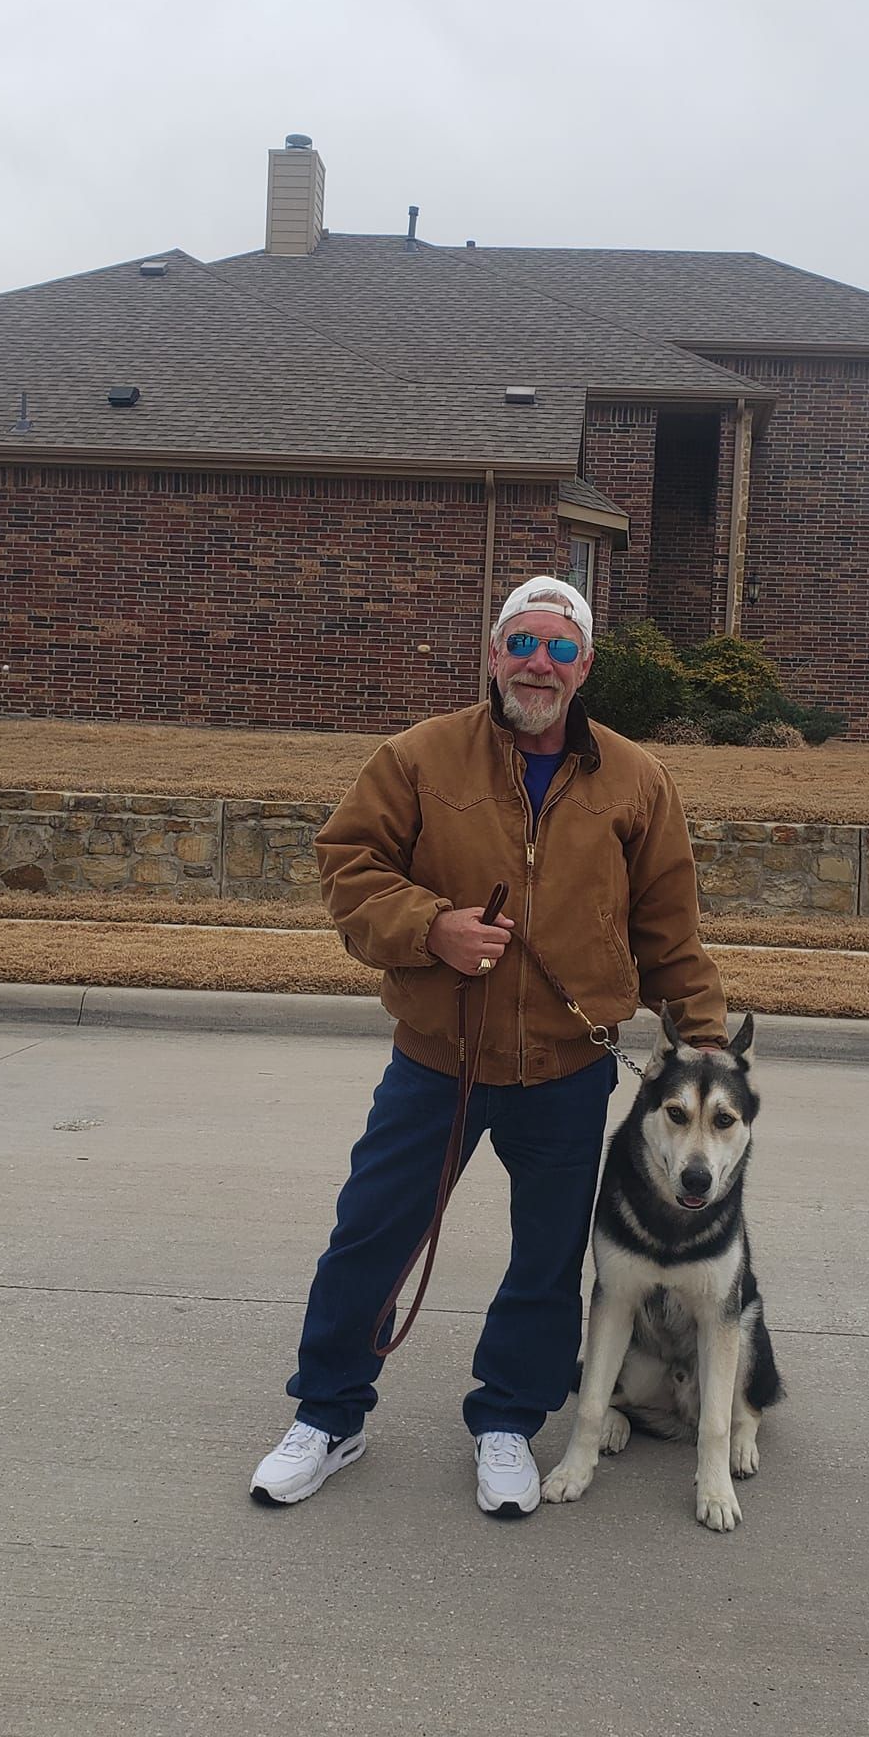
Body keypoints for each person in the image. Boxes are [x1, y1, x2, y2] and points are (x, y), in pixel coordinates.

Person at [250, 575, 728, 1517]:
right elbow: (349, 867)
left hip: (568, 1068)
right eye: (522, 643)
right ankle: (329, 1414)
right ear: (493, 652)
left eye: (559, 648)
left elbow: (671, 933)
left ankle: (507, 1420)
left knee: (546, 1258)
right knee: (371, 1237)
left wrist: (706, 1050)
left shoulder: (638, 781)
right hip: (438, 1057)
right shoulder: (418, 758)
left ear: (585, 665)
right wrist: (430, 927)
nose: (537, 664)